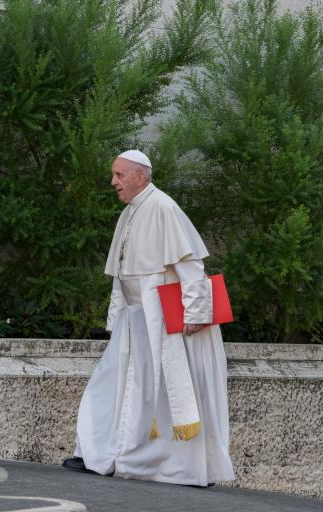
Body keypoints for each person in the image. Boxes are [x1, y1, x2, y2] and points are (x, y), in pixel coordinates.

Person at [62, 150, 235, 487]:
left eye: (119, 175)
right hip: (133, 321)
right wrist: (115, 320)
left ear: (140, 176)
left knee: (164, 395)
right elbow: (122, 275)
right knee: (113, 386)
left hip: (163, 322)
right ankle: (101, 454)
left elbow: (191, 268)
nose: (113, 182)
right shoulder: (131, 211)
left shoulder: (164, 207)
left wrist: (196, 313)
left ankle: (178, 469)